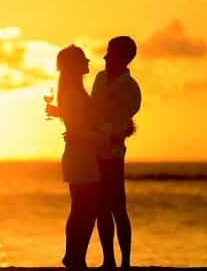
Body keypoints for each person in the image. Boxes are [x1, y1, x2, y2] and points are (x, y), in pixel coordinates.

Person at [92, 36, 141, 269]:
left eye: (110, 53)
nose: (105, 57)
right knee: (101, 207)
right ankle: (108, 260)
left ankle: (126, 263)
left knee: (118, 207)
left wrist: (101, 132)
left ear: (123, 57)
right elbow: (91, 111)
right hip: (94, 149)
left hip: (112, 153)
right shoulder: (100, 79)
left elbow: (122, 123)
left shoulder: (131, 88)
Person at [53, 44, 104, 269]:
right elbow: (77, 131)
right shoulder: (73, 93)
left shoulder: (73, 91)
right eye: (82, 58)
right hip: (80, 156)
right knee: (85, 208)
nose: (88, 61)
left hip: (81, 154)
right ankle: (75, 256)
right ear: (73, 65)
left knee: (82, 208)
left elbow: (75, 125)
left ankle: (75, 256)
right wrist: (105, 137)